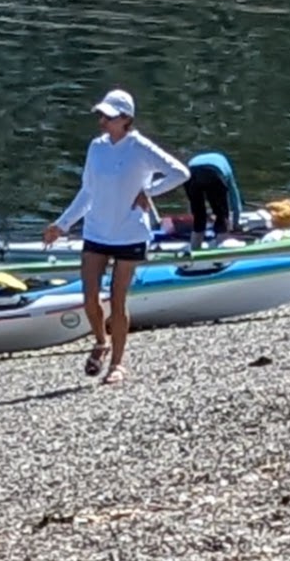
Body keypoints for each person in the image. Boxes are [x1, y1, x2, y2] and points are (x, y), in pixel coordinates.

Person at [42, 88, 189, 385]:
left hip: (129, 233)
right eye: (101, 115)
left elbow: (179, 172)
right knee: (89, 297)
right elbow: (87, 191)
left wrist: (148, 192)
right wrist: (62, 224)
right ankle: (100, 341)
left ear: (126, 119)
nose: (102, 121)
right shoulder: (96, 148)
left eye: (108, 116)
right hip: (97, 230)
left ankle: (118, 365)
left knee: (118, 299)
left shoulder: (140, 147)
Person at [183, 151, 243, 242]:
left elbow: (190, 202)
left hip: (189, 173)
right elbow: (234, 197)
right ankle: (220, 248)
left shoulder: (200, 159)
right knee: (221, 215)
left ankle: (195, 248)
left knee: (199, 217)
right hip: (212, 172)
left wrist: (204, 216)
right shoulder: (227, 169)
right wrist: (235, 223)